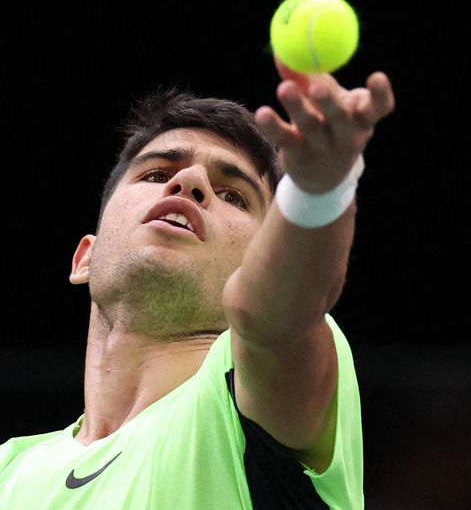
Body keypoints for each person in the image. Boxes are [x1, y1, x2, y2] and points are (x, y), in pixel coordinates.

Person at [0, 59, 395, 509]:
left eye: (234, 196)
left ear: (261, 260)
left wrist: (319, 192)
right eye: (154, 174)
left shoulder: (243, 385)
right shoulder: (10, 469)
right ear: (85, 257)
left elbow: (277, 314)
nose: (189, 181)